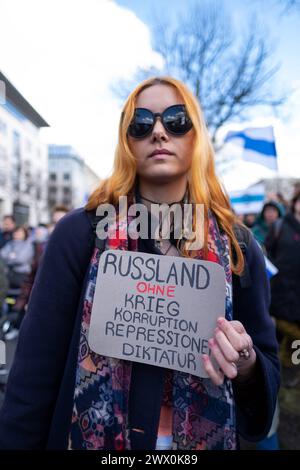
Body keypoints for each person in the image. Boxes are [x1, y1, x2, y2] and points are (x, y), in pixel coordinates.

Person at [0, 77, 279, 450]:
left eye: (177, 120)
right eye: (142, 123)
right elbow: (32, 377)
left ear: (197, 136)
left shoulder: (238, 245)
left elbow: (265, 378)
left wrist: (245, 364)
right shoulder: (79, 235)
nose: (159, 132)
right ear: (127, 141)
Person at [265, 190, 300, 386]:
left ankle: (290, 370)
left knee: (291, 342)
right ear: (295, 203)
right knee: (286, 331)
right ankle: (281, 369)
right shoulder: (280, 226)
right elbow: (266, 255)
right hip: (281, 292)